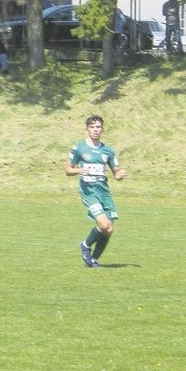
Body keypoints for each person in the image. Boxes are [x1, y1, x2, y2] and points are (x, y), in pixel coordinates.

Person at [66, 114, 127, 268]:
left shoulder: (108, 151)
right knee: (104, 225)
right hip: (88, 192)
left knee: (109, 230)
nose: (95, 130)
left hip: (104, 192)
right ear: (87, 129)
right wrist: (79, 170)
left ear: (102, 129)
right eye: (92, 127)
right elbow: (68, 170)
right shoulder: (79, 147)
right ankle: (85, 245)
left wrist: (120, 174)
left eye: (98, 127)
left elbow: (116, 174)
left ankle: (93, 260)